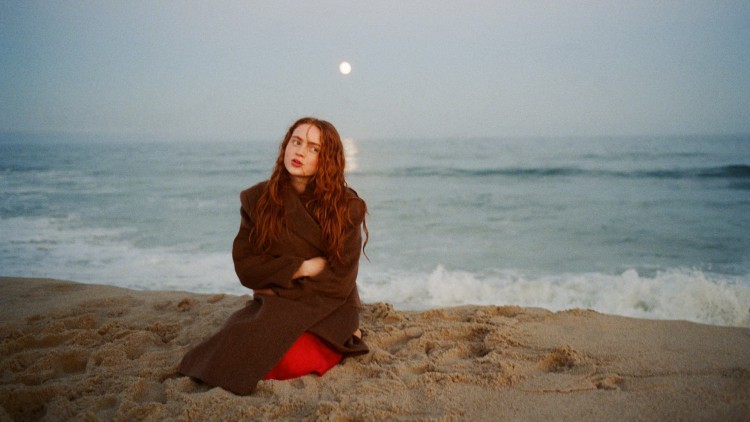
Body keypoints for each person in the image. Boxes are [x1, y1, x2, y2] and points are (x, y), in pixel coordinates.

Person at [178, 117, 369, 395]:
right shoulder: (258, 199)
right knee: (232, 350)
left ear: (327, 159)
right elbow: (247, 268)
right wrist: (301, 268)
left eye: (314, 148)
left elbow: (338, 282)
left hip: (329, 305)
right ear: (286, 146)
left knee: (284, 362)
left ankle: (349, 333)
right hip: (277, 304)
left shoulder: (347, 207)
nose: (300, 151)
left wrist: (274, 284)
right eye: (296, 141)